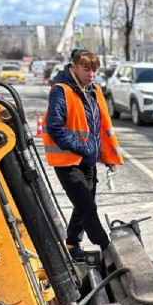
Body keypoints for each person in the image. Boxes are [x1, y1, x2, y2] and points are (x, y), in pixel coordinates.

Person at [44, 49, 123, 261]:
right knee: (87, 206)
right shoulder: (61, 90)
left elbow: (100, 128)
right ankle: (106, 246)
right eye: (86, 69)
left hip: (88, 160)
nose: (91, 74)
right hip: (68, 161)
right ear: (74, 67)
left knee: (83, 205)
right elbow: (55, 127)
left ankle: (71, 244)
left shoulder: (93, 90)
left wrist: (105, 156)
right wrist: (83, 148)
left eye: (95, 70)